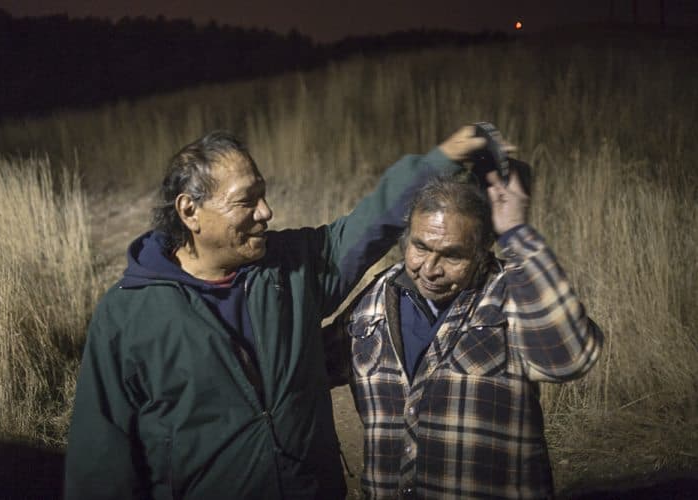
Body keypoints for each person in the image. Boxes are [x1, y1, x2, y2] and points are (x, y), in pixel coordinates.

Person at [64, 127, 495, 499]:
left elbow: (367, 226)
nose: (266, 212)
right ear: (190, 211)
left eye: (263, 194)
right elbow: (100, 456)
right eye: (246, 201)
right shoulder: (128, 314)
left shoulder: (290, 267)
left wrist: (440, 160)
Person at [325, 169, 604, 499]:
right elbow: (305, 370)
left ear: (485, 246)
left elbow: (570, 359)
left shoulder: (511, 292)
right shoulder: (377, 297)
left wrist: (516, 233)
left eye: (452, 255)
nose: (430, 269)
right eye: (420, 247)